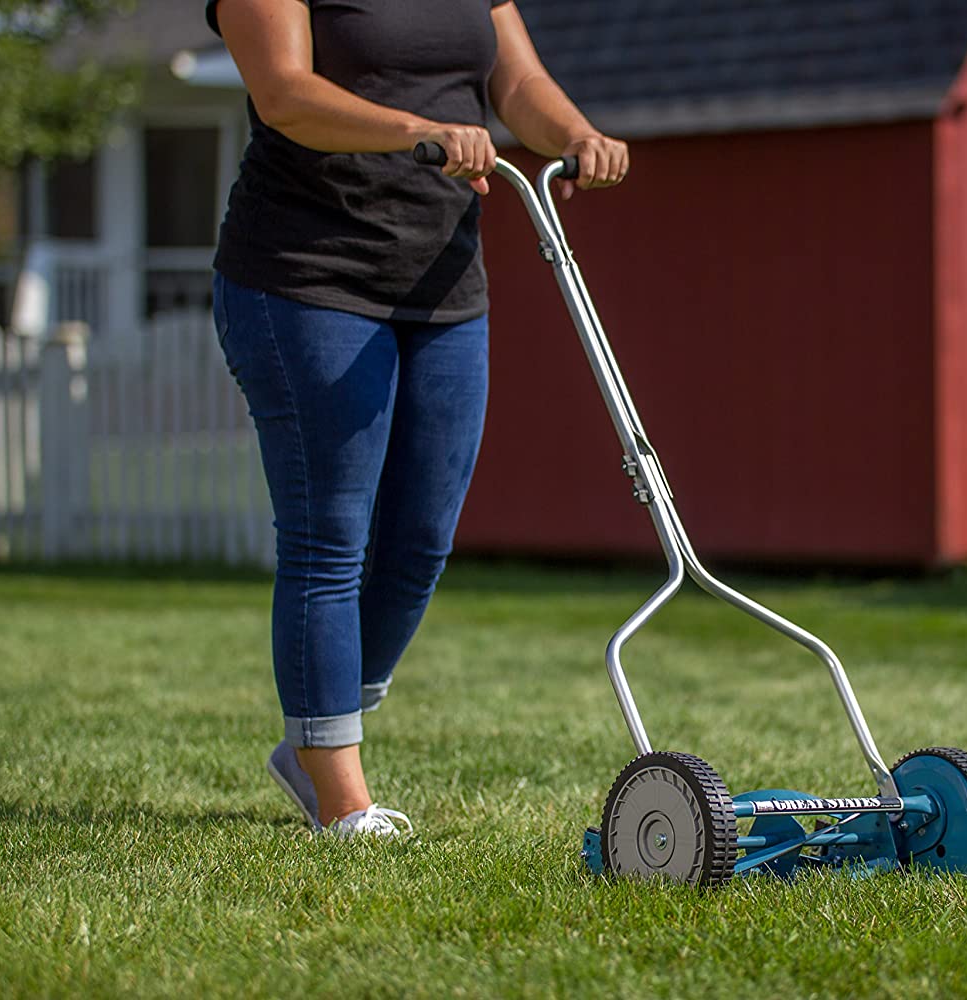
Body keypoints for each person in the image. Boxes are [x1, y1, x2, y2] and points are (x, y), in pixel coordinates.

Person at [206, 0, 628, 838]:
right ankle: (340, 795)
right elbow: (284, 93)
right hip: (306, 275)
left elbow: (518, 83)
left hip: (442, 282)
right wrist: (415, 131)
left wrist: (578, 134)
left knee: (420, 544)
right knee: (329, 537)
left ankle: (316, 732)